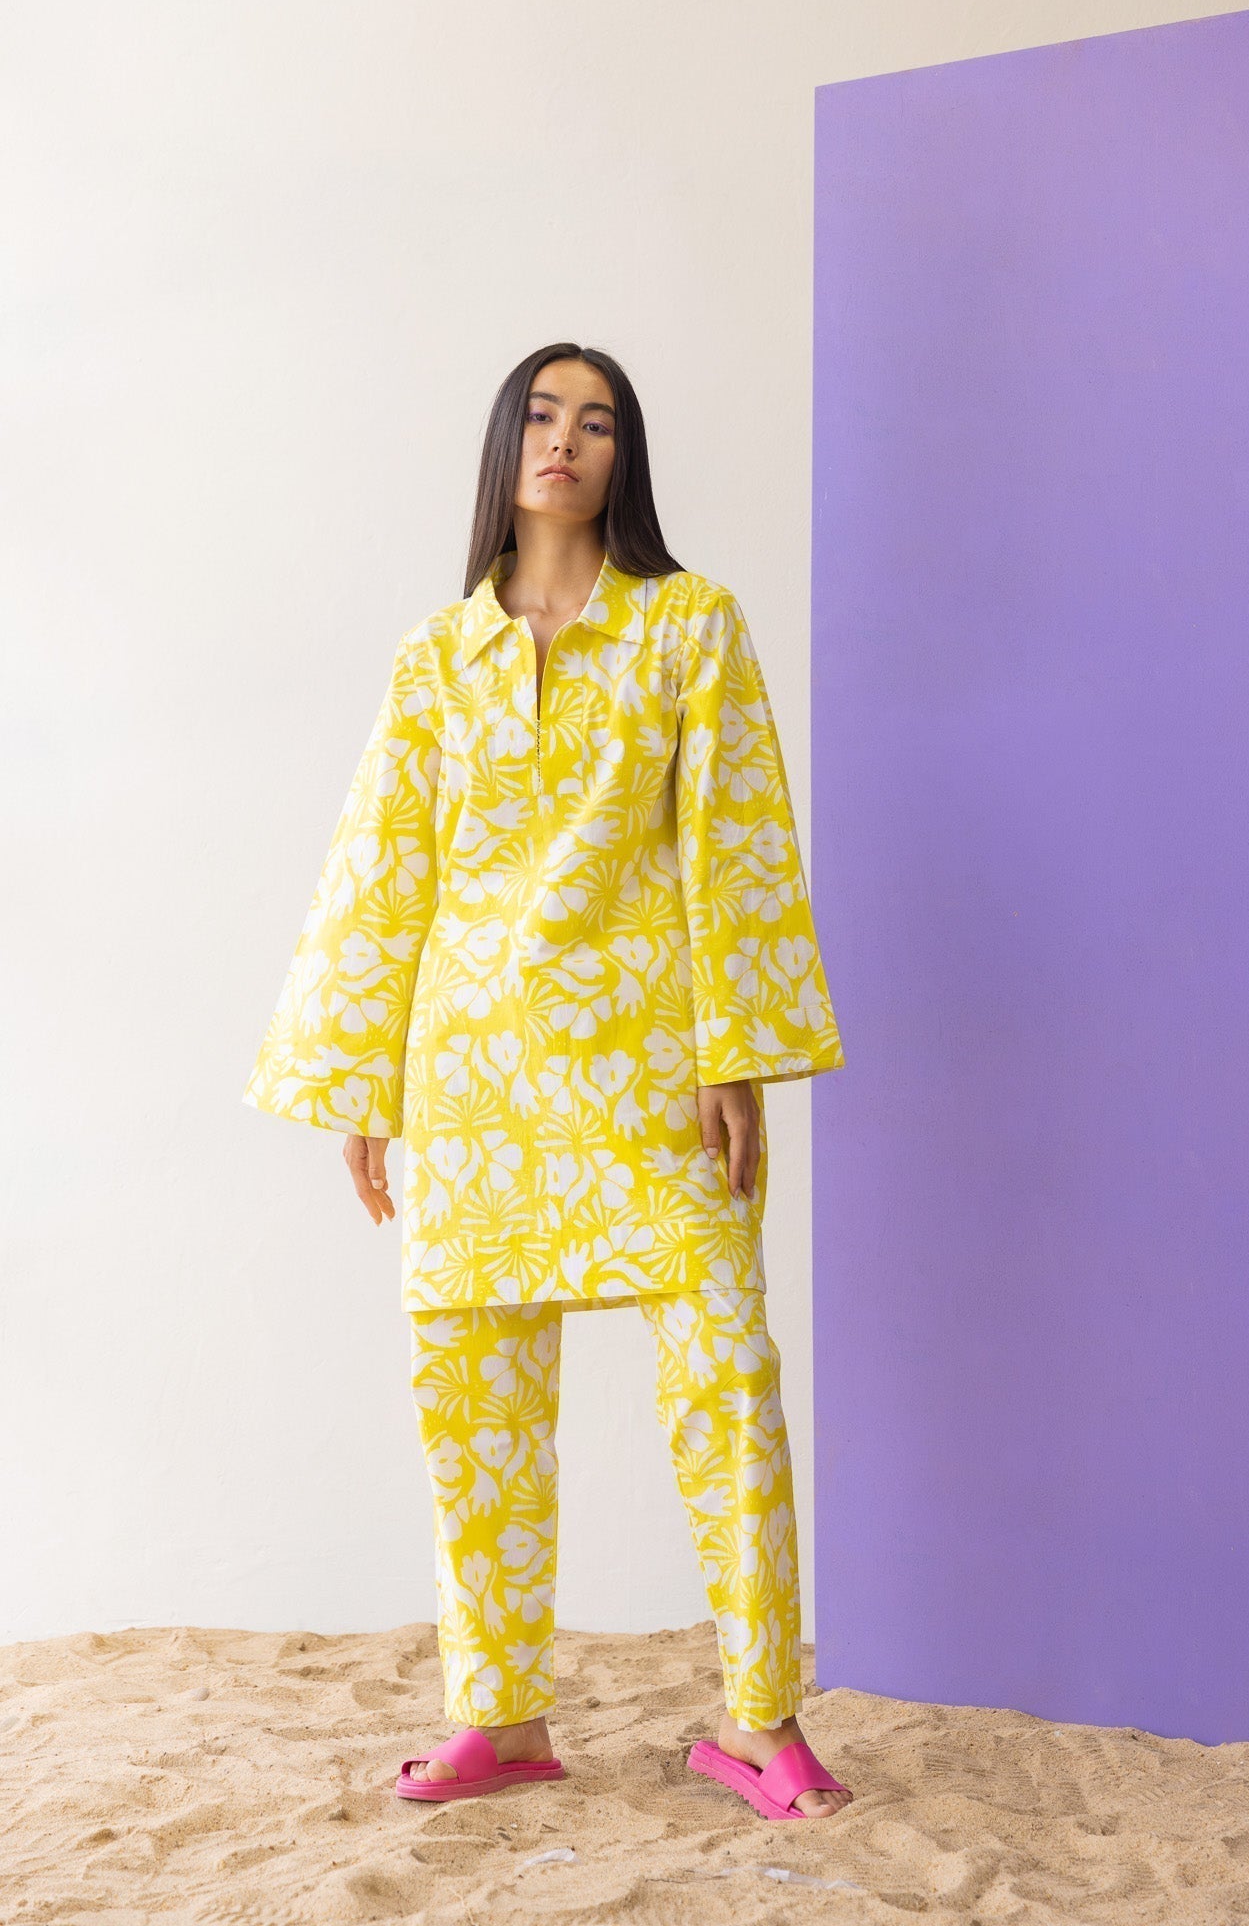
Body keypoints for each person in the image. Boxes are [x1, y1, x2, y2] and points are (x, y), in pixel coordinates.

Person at [244, 342, 852, 1820]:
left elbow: (734, 842)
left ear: (624, 457)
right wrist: (361, 1080)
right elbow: (384, 867)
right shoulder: (435, 656)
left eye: (596, 422)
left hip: (647, 1066)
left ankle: (759, 1716)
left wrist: (734, 1053)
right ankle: (499, 1717)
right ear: (505, 447)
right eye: (540, 414)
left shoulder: (689, 628)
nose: (564, 439)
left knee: (729, 1375)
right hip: (467, 1077)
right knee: (473, 1404)